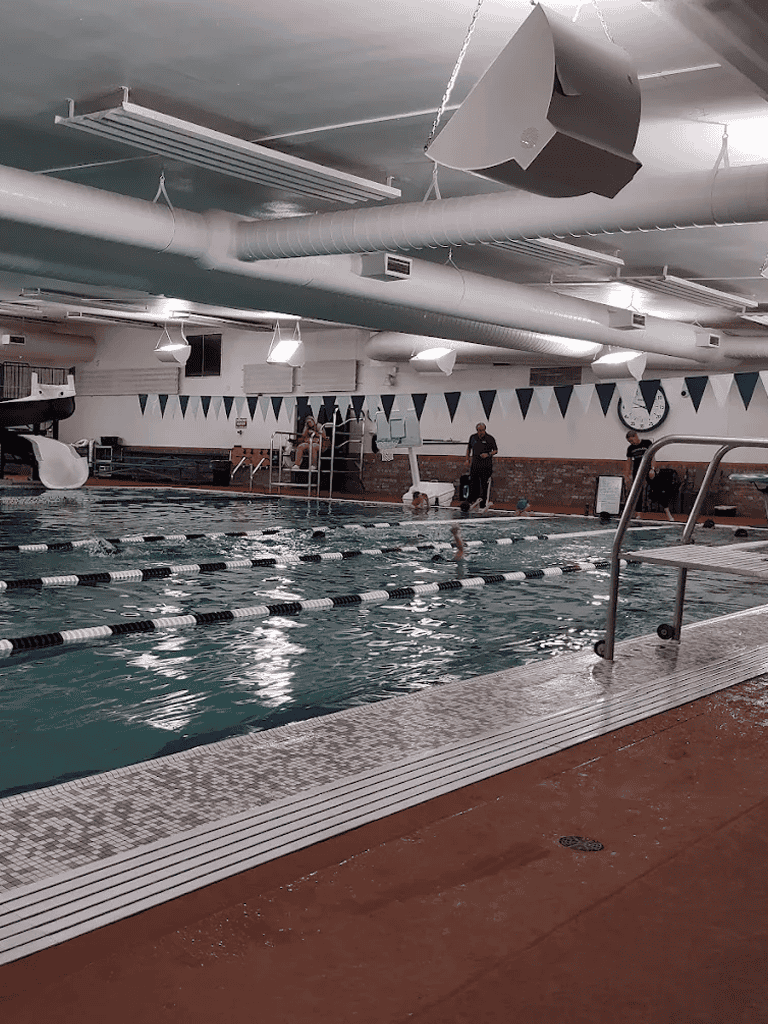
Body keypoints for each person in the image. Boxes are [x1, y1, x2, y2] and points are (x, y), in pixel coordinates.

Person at [466, 422, 497, 511]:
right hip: (475, 465)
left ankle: (483, 503)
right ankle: (472, 500)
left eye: (482, 430)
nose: (481, 432)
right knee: (473, 483)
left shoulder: (490, 438)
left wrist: (488, 454)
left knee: (484, 484)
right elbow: (469, 449)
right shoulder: (473, 437)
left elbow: (495, 450)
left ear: (485, 430)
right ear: (477, 430)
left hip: (486, 466)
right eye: (479, 430)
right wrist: (467, 459)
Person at [625, 430, 655, 512]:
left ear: (636, 436)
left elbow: (652, 456)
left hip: (648, 469)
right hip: (637, 470)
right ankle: (638, 512)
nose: (631, 442)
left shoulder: (647, 443)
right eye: (629, 441)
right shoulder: (630, 448)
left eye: (632, 440)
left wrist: (653, 469)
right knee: (637, 491)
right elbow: (629, 462)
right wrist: (627, 475)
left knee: (655, 487)